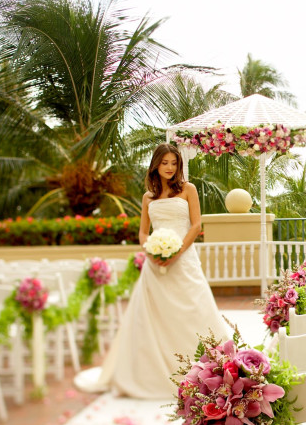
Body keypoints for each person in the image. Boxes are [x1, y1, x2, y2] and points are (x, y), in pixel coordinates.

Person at [75, 143, 231, 399]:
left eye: (174, 163)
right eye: (165, 163)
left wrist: (177, 252)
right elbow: (143, 232)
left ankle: (206, 367)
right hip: (155, 264)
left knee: (193, 307)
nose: (169, 168)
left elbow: (196, 225)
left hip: (184, 260)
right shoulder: (149, 196)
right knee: (154, 314)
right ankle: (151, 373)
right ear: (156, 165)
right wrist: (152, 252)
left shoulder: (188, 189)